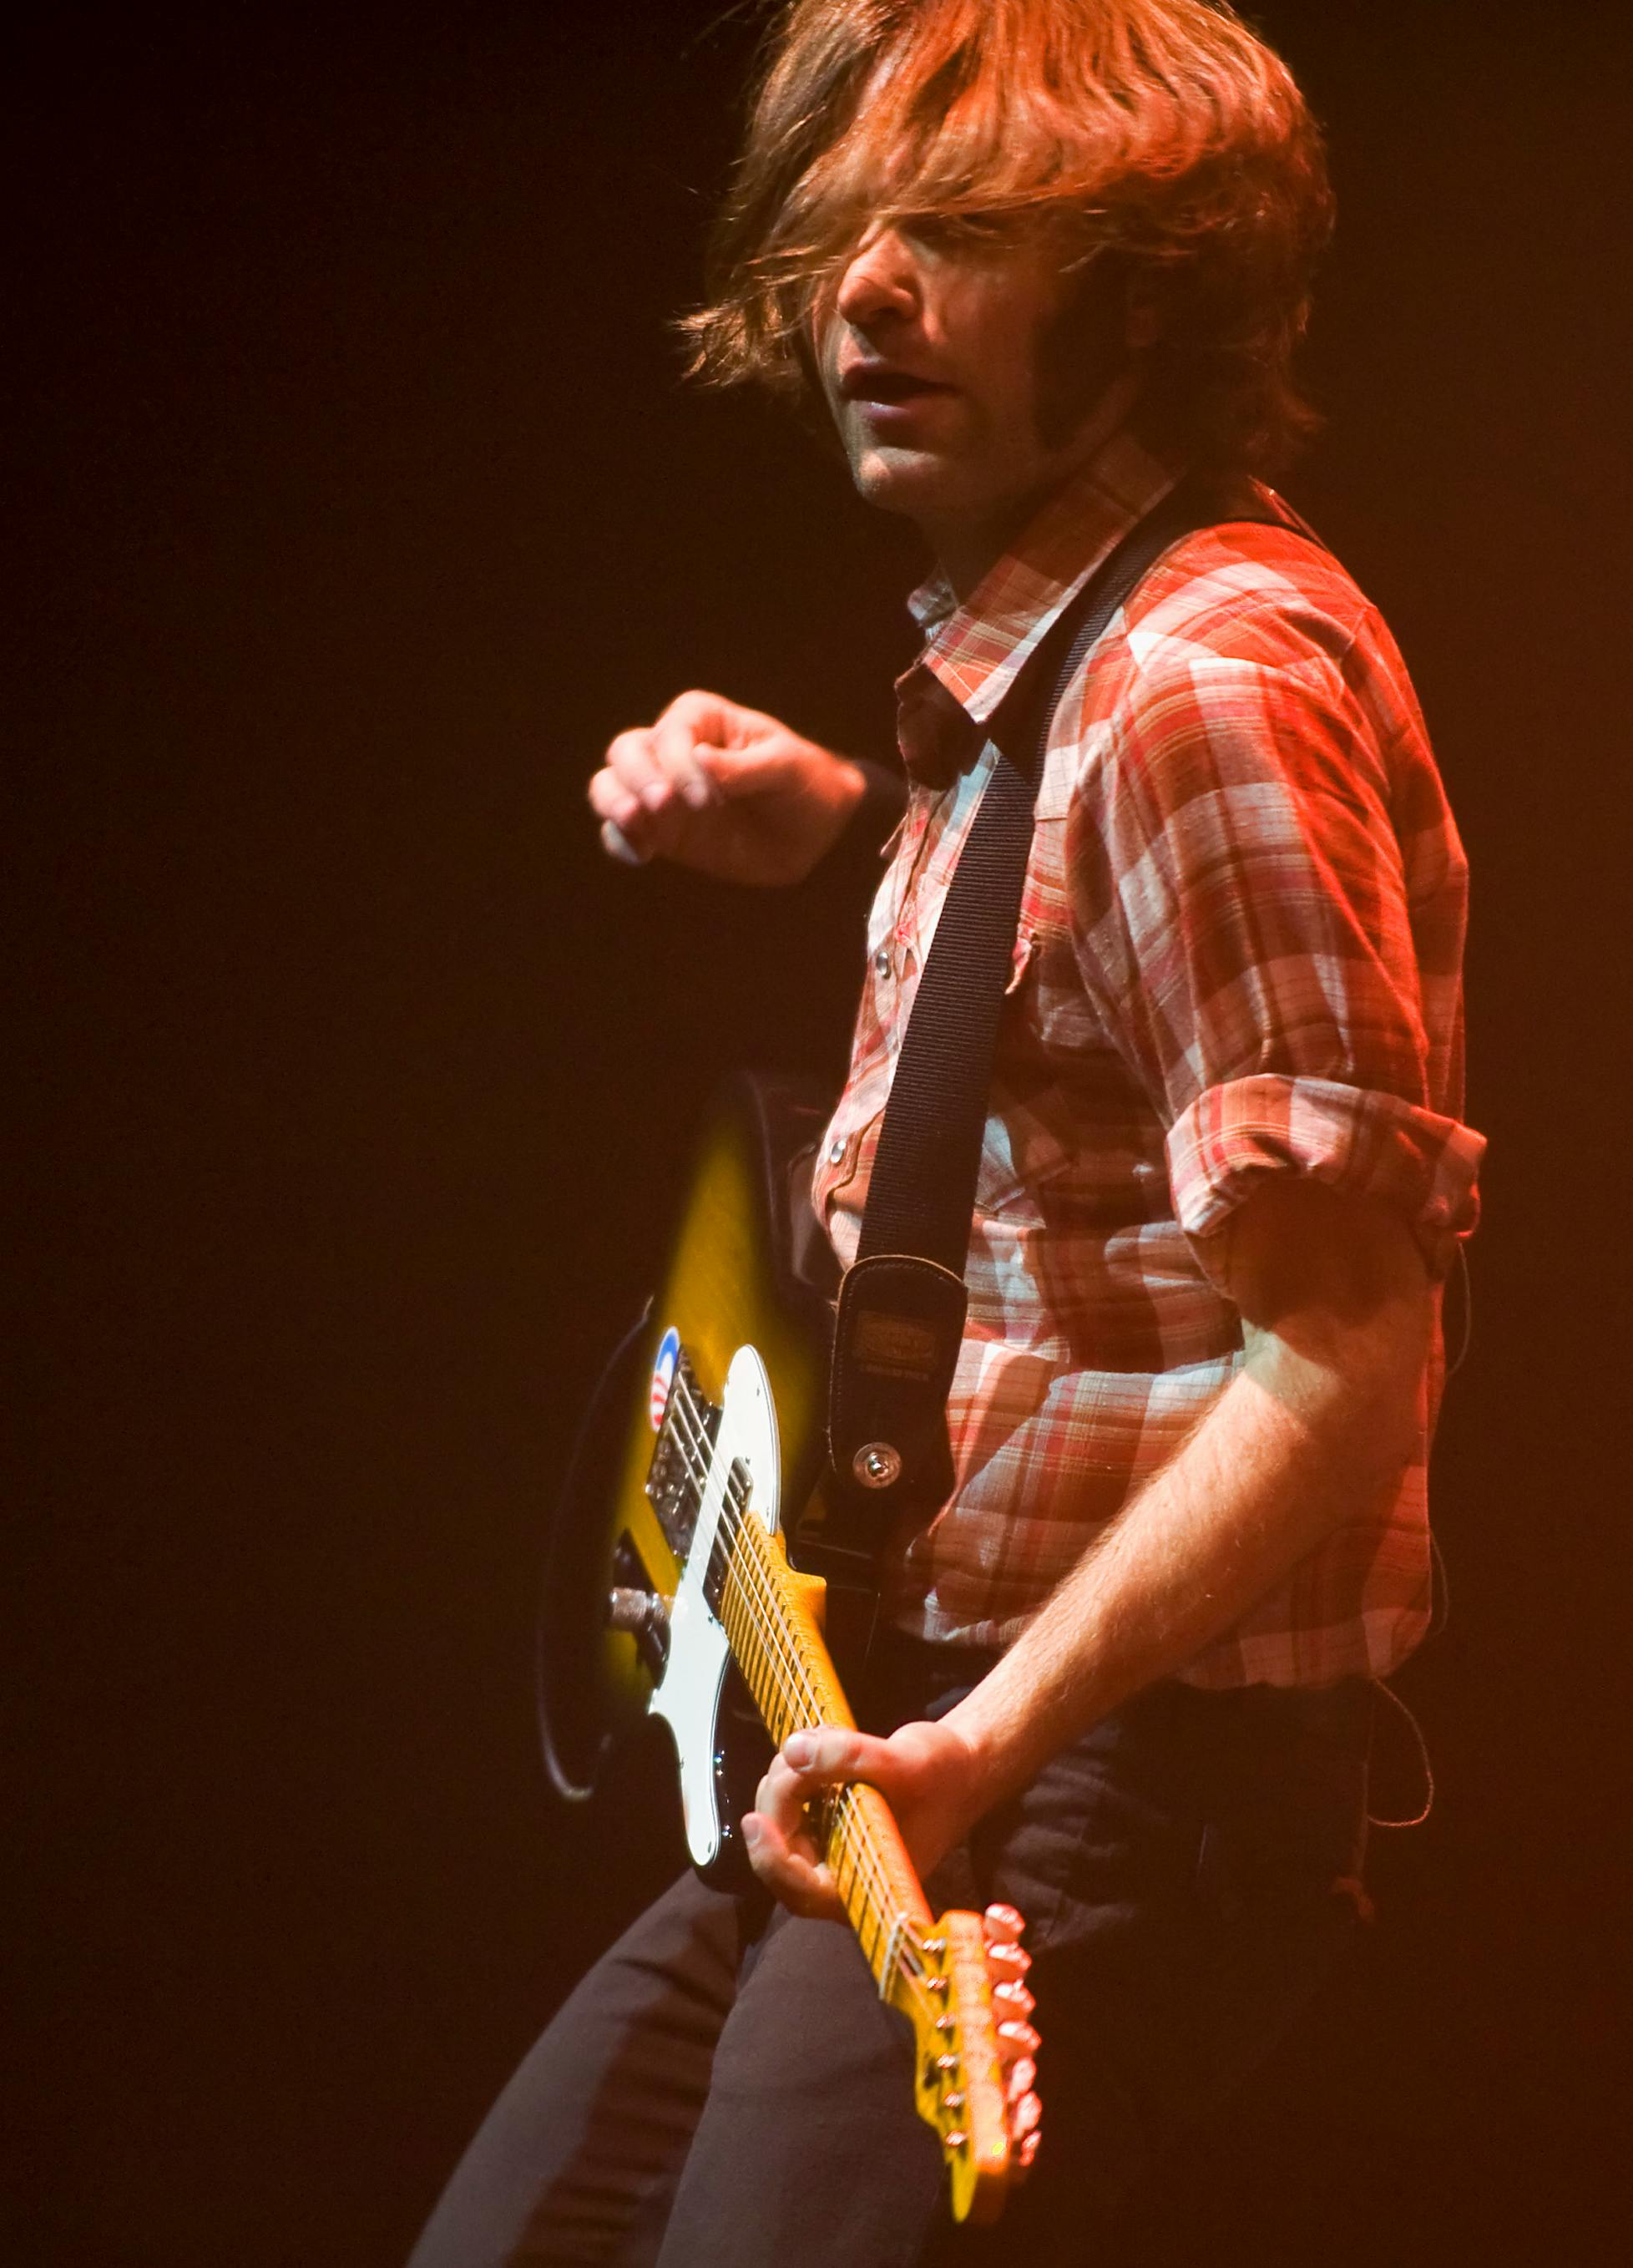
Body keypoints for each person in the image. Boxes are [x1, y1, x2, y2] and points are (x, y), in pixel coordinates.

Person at [410, 3, 1484, 2262]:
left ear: (1152, 295)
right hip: (914, 1725)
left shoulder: (1198, 685)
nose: (868, 295)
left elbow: (1349, 1341)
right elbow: (1083, 983)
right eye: (845, 233)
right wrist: (846, 818)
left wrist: (986, 1749)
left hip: (1104, 1780)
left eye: (967, 235)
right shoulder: (1060, 663)